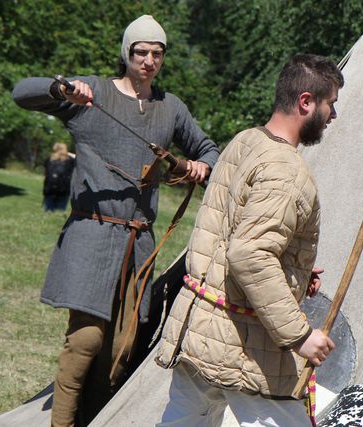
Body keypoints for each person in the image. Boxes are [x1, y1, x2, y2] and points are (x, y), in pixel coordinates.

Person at [12, 15, 220, 427]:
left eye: (156, 53)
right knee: (85, 341)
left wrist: (200, 165)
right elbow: (22, 92)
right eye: (140, 52)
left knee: (119, 352)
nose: (148, 60)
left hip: (139, 244)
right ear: (126, 53)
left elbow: (209, 150)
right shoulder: (94, 92)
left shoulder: (170, 107)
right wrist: (62, 88)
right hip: (92, 233)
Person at [155, 53, 343, 427]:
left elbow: (231, 233)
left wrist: (294, 271)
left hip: (200, 326)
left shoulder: (245, 141)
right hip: (243, 345)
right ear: (306, 102)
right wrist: (299, 335)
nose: (333, 115)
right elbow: (250, 253)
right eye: (330, 104)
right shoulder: (286, 170)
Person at [43, 142, 75, 212]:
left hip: (50, 188)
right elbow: (78, 158)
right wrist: (69, 154)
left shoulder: (49, 159)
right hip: (64, 189)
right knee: (60, 211)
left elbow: (45, 173)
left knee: (47, 210)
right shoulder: (70, 161)